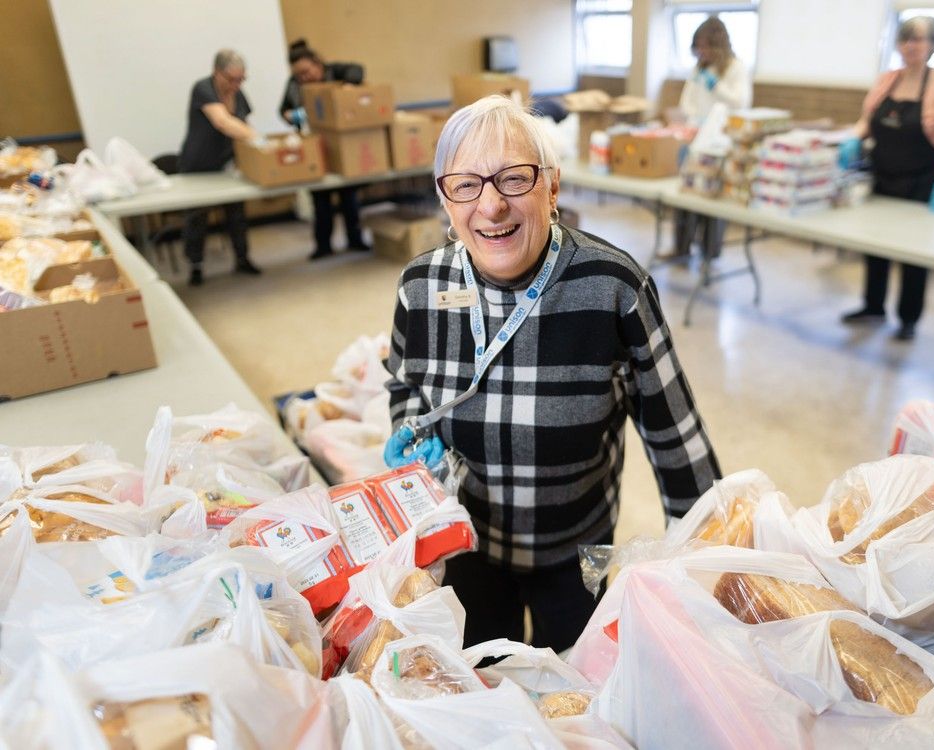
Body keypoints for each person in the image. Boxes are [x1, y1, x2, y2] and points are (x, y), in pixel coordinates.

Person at [382, 96, 721, 652]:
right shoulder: (420, 287)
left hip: (576, 554)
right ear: (445, 198)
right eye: (465, 185)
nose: (490, 206)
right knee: (488, 682)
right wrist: (410, 433)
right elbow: (403, 384)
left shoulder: (612, 287)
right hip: (466, 544)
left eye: (514, 179)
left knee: (577, 687)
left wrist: (708, 562)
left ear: (552, 187)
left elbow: (674, 435)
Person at [839, 16, 934, 341]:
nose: (911, 46)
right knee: (875, 245)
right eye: (906, 39)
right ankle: (873, 306)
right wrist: (852, 138)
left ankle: (908, 319)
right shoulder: (887, 81)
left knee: (914, 255)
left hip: (922, 182)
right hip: (883, 178)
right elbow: (866, 121)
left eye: (920, 39)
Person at [279, 39, 369, 259]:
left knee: (349, 196)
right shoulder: (293, 84)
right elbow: (283, 109)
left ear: (317, 63)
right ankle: (323, 245)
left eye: (306, 71)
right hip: (314, 147)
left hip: (340, 147)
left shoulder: (335, 71)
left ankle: (355, 239)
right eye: (299, 74)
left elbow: (357, 70)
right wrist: (289, 115)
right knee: (320, 200)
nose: (303, 78)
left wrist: (347, 87)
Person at [179, 49, 262, 287]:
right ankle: (196, 265)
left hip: (226, 164)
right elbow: (224, 122)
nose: (237, 84)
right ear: (217, 73)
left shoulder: (239, 94)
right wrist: (260, 140)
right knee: (197, 218)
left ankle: (242, 258)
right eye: (231, 79)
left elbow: (243, 125)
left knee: (236, 212)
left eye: (241, 79)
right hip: (198, 166)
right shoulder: (203, 88)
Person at [673, 16, 752, 260]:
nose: (701, 52)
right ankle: (681, 249)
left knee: (713, 199)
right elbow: (685, 103)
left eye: (706, 46)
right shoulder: (698, 69)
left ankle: (709, 252)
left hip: (721, 144)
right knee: (686, 195)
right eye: (698, 47)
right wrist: (693, 120)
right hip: (696, 139)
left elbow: (741, 102)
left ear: (718, 45)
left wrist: (716, 86)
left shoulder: (736, 68)